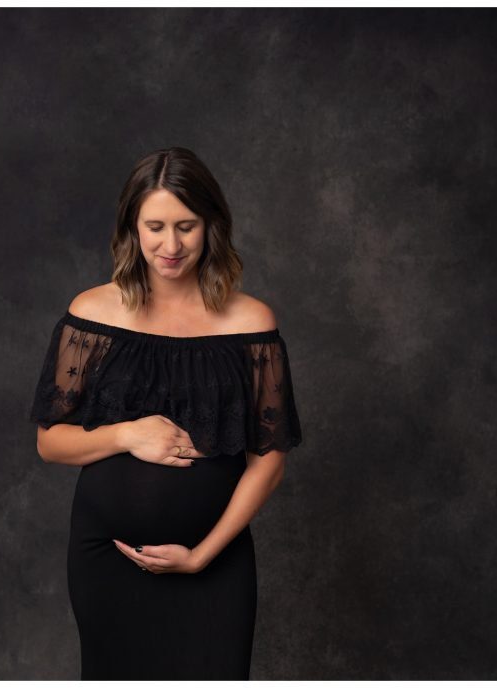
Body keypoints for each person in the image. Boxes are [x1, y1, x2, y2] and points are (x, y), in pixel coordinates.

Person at [29, 146, 303, 680]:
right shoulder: (92, 313)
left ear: (211, 227)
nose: (170, 245)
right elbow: (50, 443)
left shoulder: (251, 323)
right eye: (155, 226)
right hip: (108, 561)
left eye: (187, 226)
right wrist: (129, 434)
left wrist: (202, 556)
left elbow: (269, 462)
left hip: (215, 563)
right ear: (133, 226)